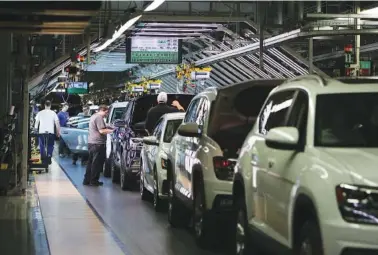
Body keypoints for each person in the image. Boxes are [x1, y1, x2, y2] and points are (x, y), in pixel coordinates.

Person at [83, 105, 114, 186]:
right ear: (103, 110)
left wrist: (108, 126)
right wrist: (113, 131)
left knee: (90, 162)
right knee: (96, 163)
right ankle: (94, 181)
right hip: (98, 144)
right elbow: (102, 131)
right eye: (106, 112)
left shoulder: (93, 116)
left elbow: (101, 126)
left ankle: (86, 180)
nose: (106, 115)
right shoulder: (99, 117)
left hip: (92, 143)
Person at [34, 100, 60, 165]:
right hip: (50, 132)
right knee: (50, 145)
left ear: (44, 105)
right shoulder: (53, 113)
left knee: (42, 145)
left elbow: (36, 122)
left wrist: (35, 130)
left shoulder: (40, 113)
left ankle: (43, 159)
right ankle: (49, 155)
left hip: (42, 132)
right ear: (50, 106)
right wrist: (58, 132)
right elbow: (57, 123)